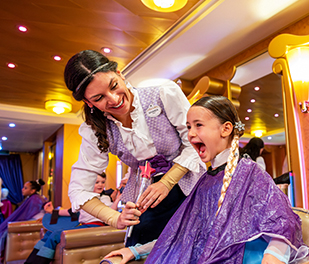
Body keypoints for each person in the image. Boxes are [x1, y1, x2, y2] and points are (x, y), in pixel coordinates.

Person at [112, 96, 308, 264]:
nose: (191, 134)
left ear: (225, 129)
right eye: (188, 127)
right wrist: (137, 251)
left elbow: (281, 220)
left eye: (198, 125)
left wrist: (275, 255)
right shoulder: (205, 181)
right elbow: (180, 235)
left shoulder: (250, 173)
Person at [64, 50, 206, 247]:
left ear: (120, 74)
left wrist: (166, 182)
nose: (113, 99)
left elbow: (196, 142)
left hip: (190, 184)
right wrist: (115, 218)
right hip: (147, 199)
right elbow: (78, 189)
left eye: (114, 86)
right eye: (99, 98)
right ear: (89, 103)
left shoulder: (163, 93)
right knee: (145, 252)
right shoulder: (95, 129)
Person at [0, 173, 121, 264]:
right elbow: (71, 212)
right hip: (84, 225)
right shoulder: (85, 197)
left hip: (96, 227)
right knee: (49, 234)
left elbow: (111, 213)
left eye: (102, 182)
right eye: (96, 182)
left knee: (57, 234)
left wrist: (116, 200)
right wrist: (52, 211)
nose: (100, 185)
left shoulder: (105, 198)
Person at [0, 179, 47, 257]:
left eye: (25, 188)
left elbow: (29, 215)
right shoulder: (32, 198)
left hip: (33, 223)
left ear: (32, 191)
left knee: (5, 232)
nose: (22, 189)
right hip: (31, 221)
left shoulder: (36, 199)